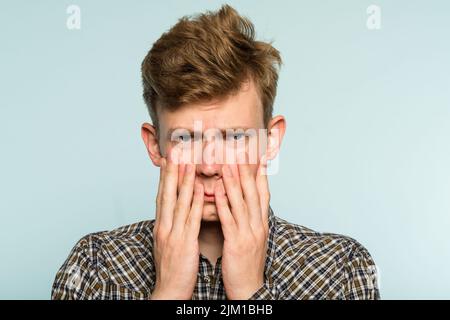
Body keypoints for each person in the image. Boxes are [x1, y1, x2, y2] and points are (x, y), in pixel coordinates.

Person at [51, 4, 379, 300]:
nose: (209, 166)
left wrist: (251, 291)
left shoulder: (343, 270)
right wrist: (169, 292)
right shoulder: (93, 266)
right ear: (155, 145)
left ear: (271, 140)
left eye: (234, 137)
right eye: (186, 139)